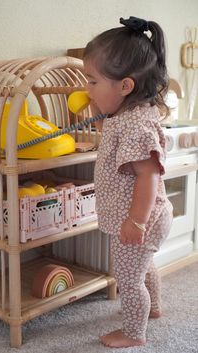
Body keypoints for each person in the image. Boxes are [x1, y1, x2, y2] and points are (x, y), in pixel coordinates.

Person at [83, 16, 173, 348]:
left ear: (125, 86)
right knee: (144, 266)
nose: (86, 90)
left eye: (92, 82)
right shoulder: (129, 116)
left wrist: (136, 221)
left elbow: (147, 176)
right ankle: (155, 308)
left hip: (138, 219)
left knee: (129, 279)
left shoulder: (133, 125)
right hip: (148, 217)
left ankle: (133, 333)